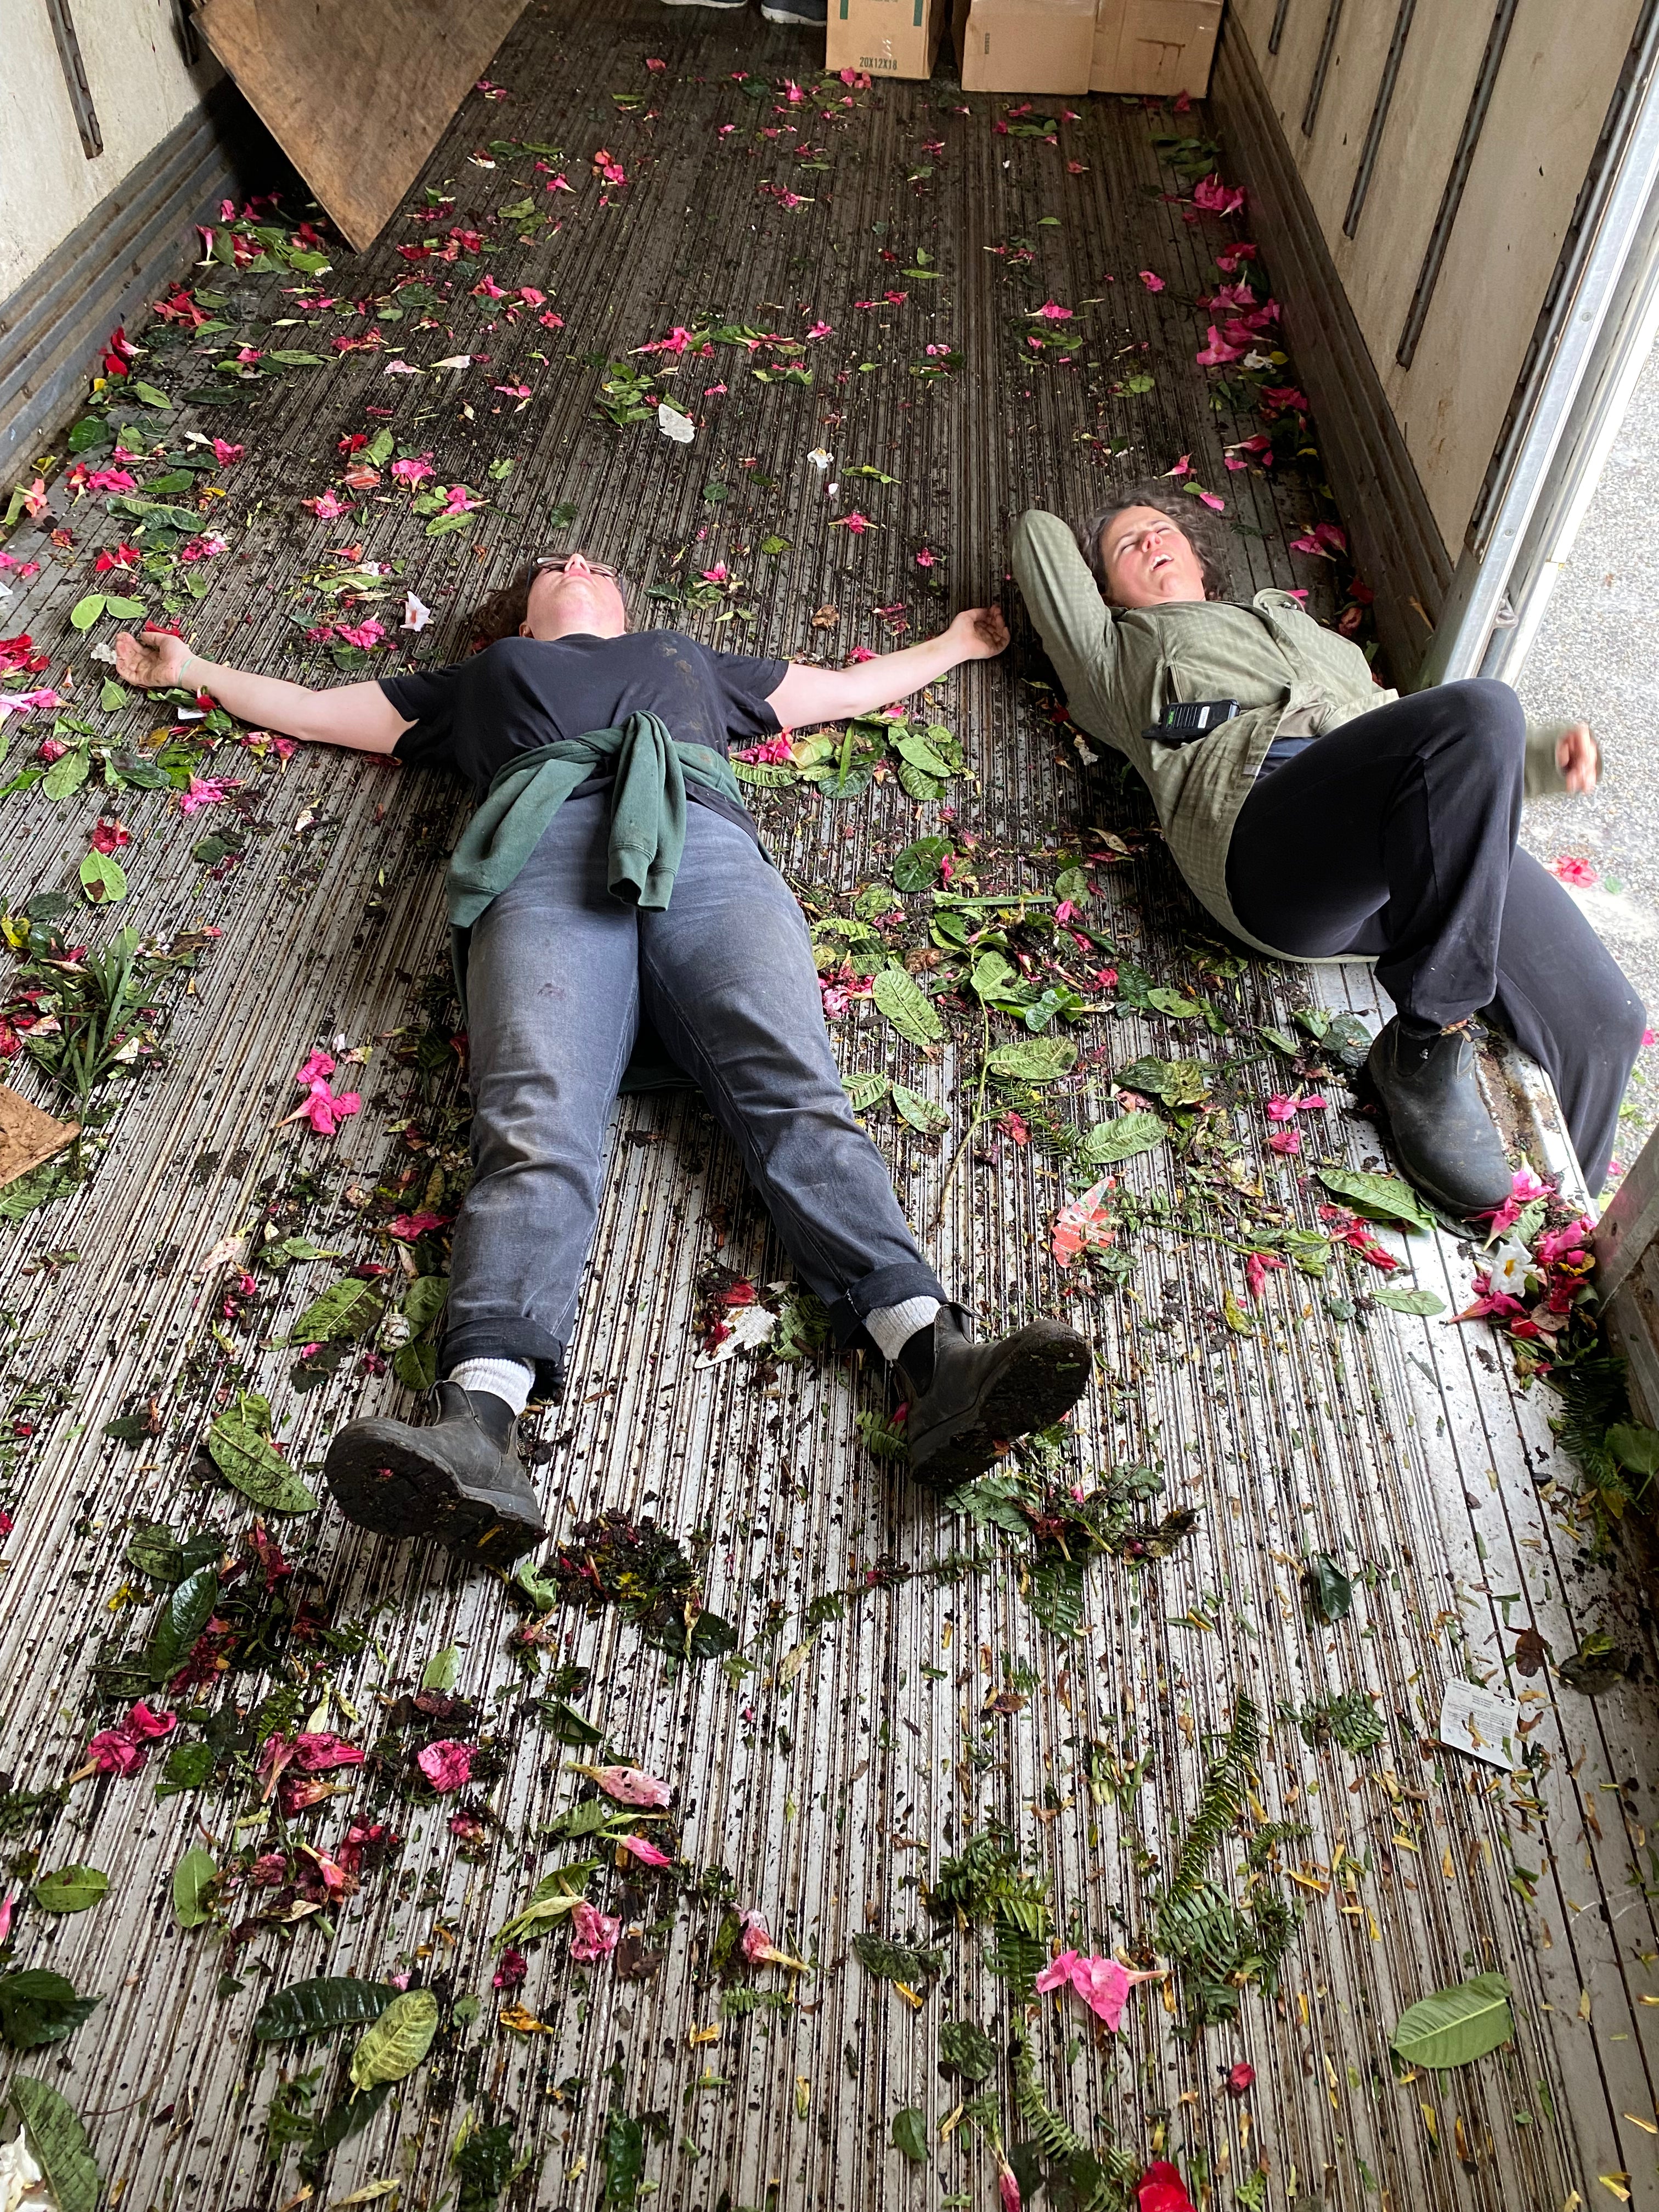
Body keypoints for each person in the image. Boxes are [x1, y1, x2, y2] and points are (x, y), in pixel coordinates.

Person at [115, 558, 1092, 1561]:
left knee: (795, 1090)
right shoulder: (481, 676)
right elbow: (320, 710)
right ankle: (478, 1430)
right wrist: (196, 668)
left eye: (593, 563)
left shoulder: (692, 663)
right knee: (534, 1121)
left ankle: (937, 1361)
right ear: (522, 613)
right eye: (552, 567)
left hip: (702, 843)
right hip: (538, 851)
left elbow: (840, 691)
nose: (576, 565)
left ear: (627, 605)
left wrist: (957, 646)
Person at [1011, 485, 1644, 1215]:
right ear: (1106, 592)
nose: (1153, 543)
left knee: (1605, 1021)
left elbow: (1414, 740)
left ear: (1198, 554)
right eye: (1128, 547)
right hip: (1268, 841)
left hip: (1389, 850)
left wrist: (1537, 762)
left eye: (1162, 531)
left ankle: (1567, 1230)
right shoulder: (1116, 658)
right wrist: (1101, 550)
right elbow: (1038, 533)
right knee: (1484, 703)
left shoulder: (1301, 627)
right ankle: (1424, 1042)